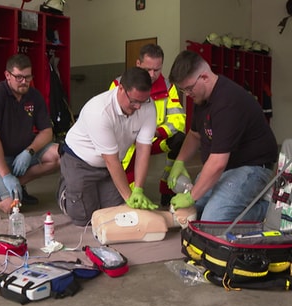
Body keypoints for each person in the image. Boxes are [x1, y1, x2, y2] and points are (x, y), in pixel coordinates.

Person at [167, 50, 278, 222]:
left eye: (189, 88)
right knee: (189, 213)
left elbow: (218, 163)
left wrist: (191, 196)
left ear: (204, 77)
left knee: (213, 219)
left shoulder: (227, 102)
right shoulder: (200, 98)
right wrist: (179, 162)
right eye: (183, 90)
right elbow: (195, 135)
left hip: (252, 167)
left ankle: (270, 209)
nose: (187, 94)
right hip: (225, 167)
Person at [57, 67, 158, 226]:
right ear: (121, 89)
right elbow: (111, 161)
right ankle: (66, 189)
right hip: (80, 160)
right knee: (85, 219)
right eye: (134, 101)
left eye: (143, 101)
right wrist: (128, 197)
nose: (138, 107)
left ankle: (85, 191)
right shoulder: (99, 111)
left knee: (116, 215)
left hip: (109, 165)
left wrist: (138, 189)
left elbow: (143, 151)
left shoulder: (148, 107)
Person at [0, 54, 60, 214]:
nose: (24, 82)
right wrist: (5, 175)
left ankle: (13, 183)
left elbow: (47, 132)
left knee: (60, 155)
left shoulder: (34, 96)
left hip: (20, 152)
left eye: (27, 77)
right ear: (7, 75)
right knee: (12, 207)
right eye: (19, 77)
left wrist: (29, 151)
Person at [110, 44, 186, 207]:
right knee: (126, 195)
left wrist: (158, 132)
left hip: (155, 138)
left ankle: (167, 188)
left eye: (157, 70)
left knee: (180, 140)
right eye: (148, 69)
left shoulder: (167, 87)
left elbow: (178, 119)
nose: (152, 75)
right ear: (138, 64)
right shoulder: (119, 84)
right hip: (129, 142)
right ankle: (129, 189)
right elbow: (114, 120)